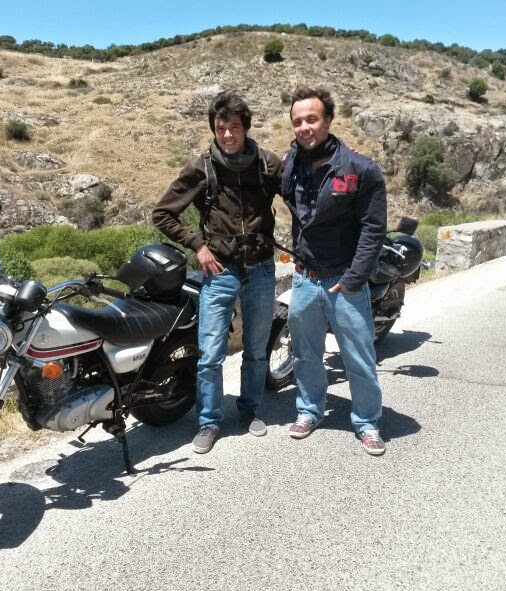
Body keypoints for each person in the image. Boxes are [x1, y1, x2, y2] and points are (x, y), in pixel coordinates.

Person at [153, 90, 282, 454]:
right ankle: (209, 421)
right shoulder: (202, 168)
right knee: (210, 353)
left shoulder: (267, 164)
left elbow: (302, 192)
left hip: (261, 268)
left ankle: (250, 409)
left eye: (234, 127)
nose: (227, 134)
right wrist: (198, 245)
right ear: (213, 128)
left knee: (256, 348)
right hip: (221, 270)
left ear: (246, 128)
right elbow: (163, 213)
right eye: (221, 127)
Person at [281, 85, 388, 456]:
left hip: (344, 281)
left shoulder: (360, 169)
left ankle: (367, 421)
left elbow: (373, 229)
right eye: (298, 121)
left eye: (312, 119)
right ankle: (310, 410)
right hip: (304, 279)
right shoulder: (290, 165)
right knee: (305, 353)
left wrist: (354, 278)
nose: (304, 127)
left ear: (328, 119)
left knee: (358, 357)